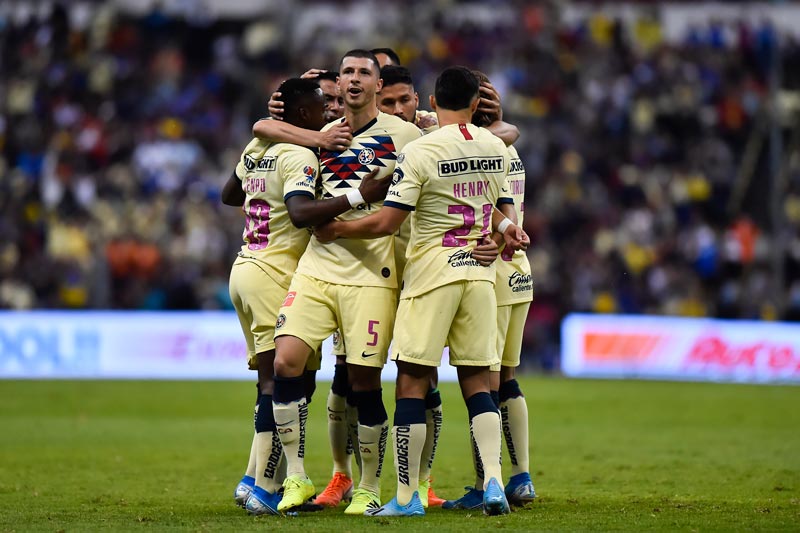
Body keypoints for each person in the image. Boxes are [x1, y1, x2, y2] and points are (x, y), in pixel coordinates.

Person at [314, 66, 529, 517]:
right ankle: (492, 480)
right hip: (479, 276)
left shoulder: (422, 150)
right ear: (474, 104)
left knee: (412, 379)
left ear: (431, 102)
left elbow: (388, 222)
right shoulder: (496, 147)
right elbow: (500, 208)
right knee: (477, 380)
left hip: (432, 273)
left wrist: (339, 228)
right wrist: (508, 229)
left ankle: (408, 496)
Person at [256, 49, 422, 515]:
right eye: (346, 71)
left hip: (372, 273)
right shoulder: (319, 136)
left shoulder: (405, 135)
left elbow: (456, 141)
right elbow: (264, 129)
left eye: (362, 72)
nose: (352, 78)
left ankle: (368, 487)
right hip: (317, 265)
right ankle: (296, 478)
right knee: (287, 361)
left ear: (376, 84)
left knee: (365, 382)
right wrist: (290, 116)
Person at [223, 77, 390, 515]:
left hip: (246, 264)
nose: (330, 112)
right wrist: (356, 193)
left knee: (283, 380)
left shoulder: (260, 145)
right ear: (303, 114)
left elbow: (229, 194)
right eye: (322, 104)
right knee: (279, 381)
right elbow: (299, 213)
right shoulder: (301, 152)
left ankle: (261, 478)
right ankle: (261, 484)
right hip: (277, 271)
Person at [443, 70, 536, 510]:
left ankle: (489, 483)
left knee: (485, 381)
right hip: (519, 270)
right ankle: (521, 477)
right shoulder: (508, 148)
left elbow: (497, 213)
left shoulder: (475, 151)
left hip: (491, 268)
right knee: (508, 377)